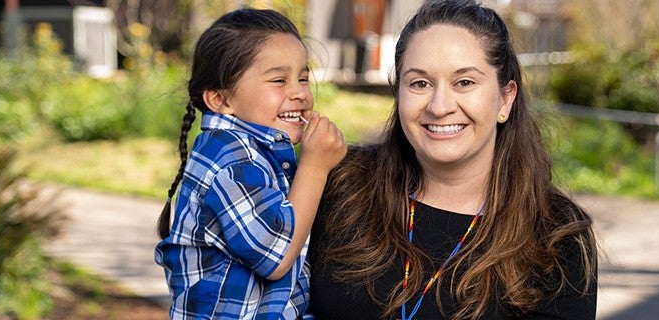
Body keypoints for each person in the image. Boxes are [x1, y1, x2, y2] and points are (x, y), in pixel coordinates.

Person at [308, 1, 597, 319]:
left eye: (465, 82)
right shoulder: (341, 186)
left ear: (505, 98)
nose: (440, 105)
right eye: (420, 83)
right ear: (399, 94)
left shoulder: (556, 236)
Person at [154, 8, 346, 319]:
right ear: (220, 99)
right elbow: (278, 256)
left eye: (303, 77)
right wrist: (316, 166)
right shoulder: (228, 159)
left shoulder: (261, 152)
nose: (299, 92)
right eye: (279, 80)